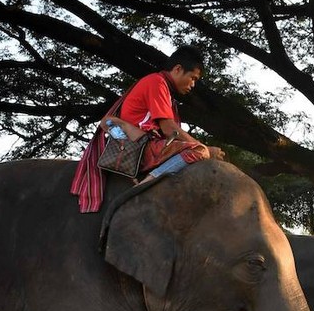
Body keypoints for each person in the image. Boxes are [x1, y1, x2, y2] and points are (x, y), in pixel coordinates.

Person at [71, 45, 223, 213]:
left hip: (142, 145)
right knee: (199, 151)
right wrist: (206, 149)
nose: (193, 84)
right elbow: (169, 130)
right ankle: (147, 184)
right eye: (193, 78)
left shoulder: (161, 86)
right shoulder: (157, 83)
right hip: (142, 148)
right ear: (178, 69)